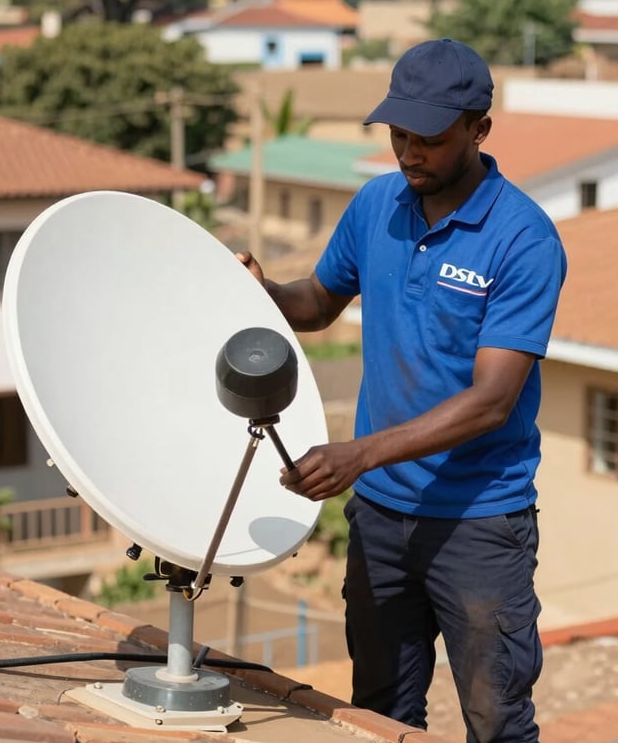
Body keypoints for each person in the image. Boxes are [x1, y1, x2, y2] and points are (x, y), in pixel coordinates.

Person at [236, 38, 567, 742]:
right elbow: (319, 304)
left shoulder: (523, 240)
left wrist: (359, 455)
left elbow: (492, 400)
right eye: (398, 136)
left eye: (431, 140)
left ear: (479, 129)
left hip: (480, 523)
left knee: (497, 718)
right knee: (380, 712)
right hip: (381, 521)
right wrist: (261, 290)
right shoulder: (376, 204)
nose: (409, 153)